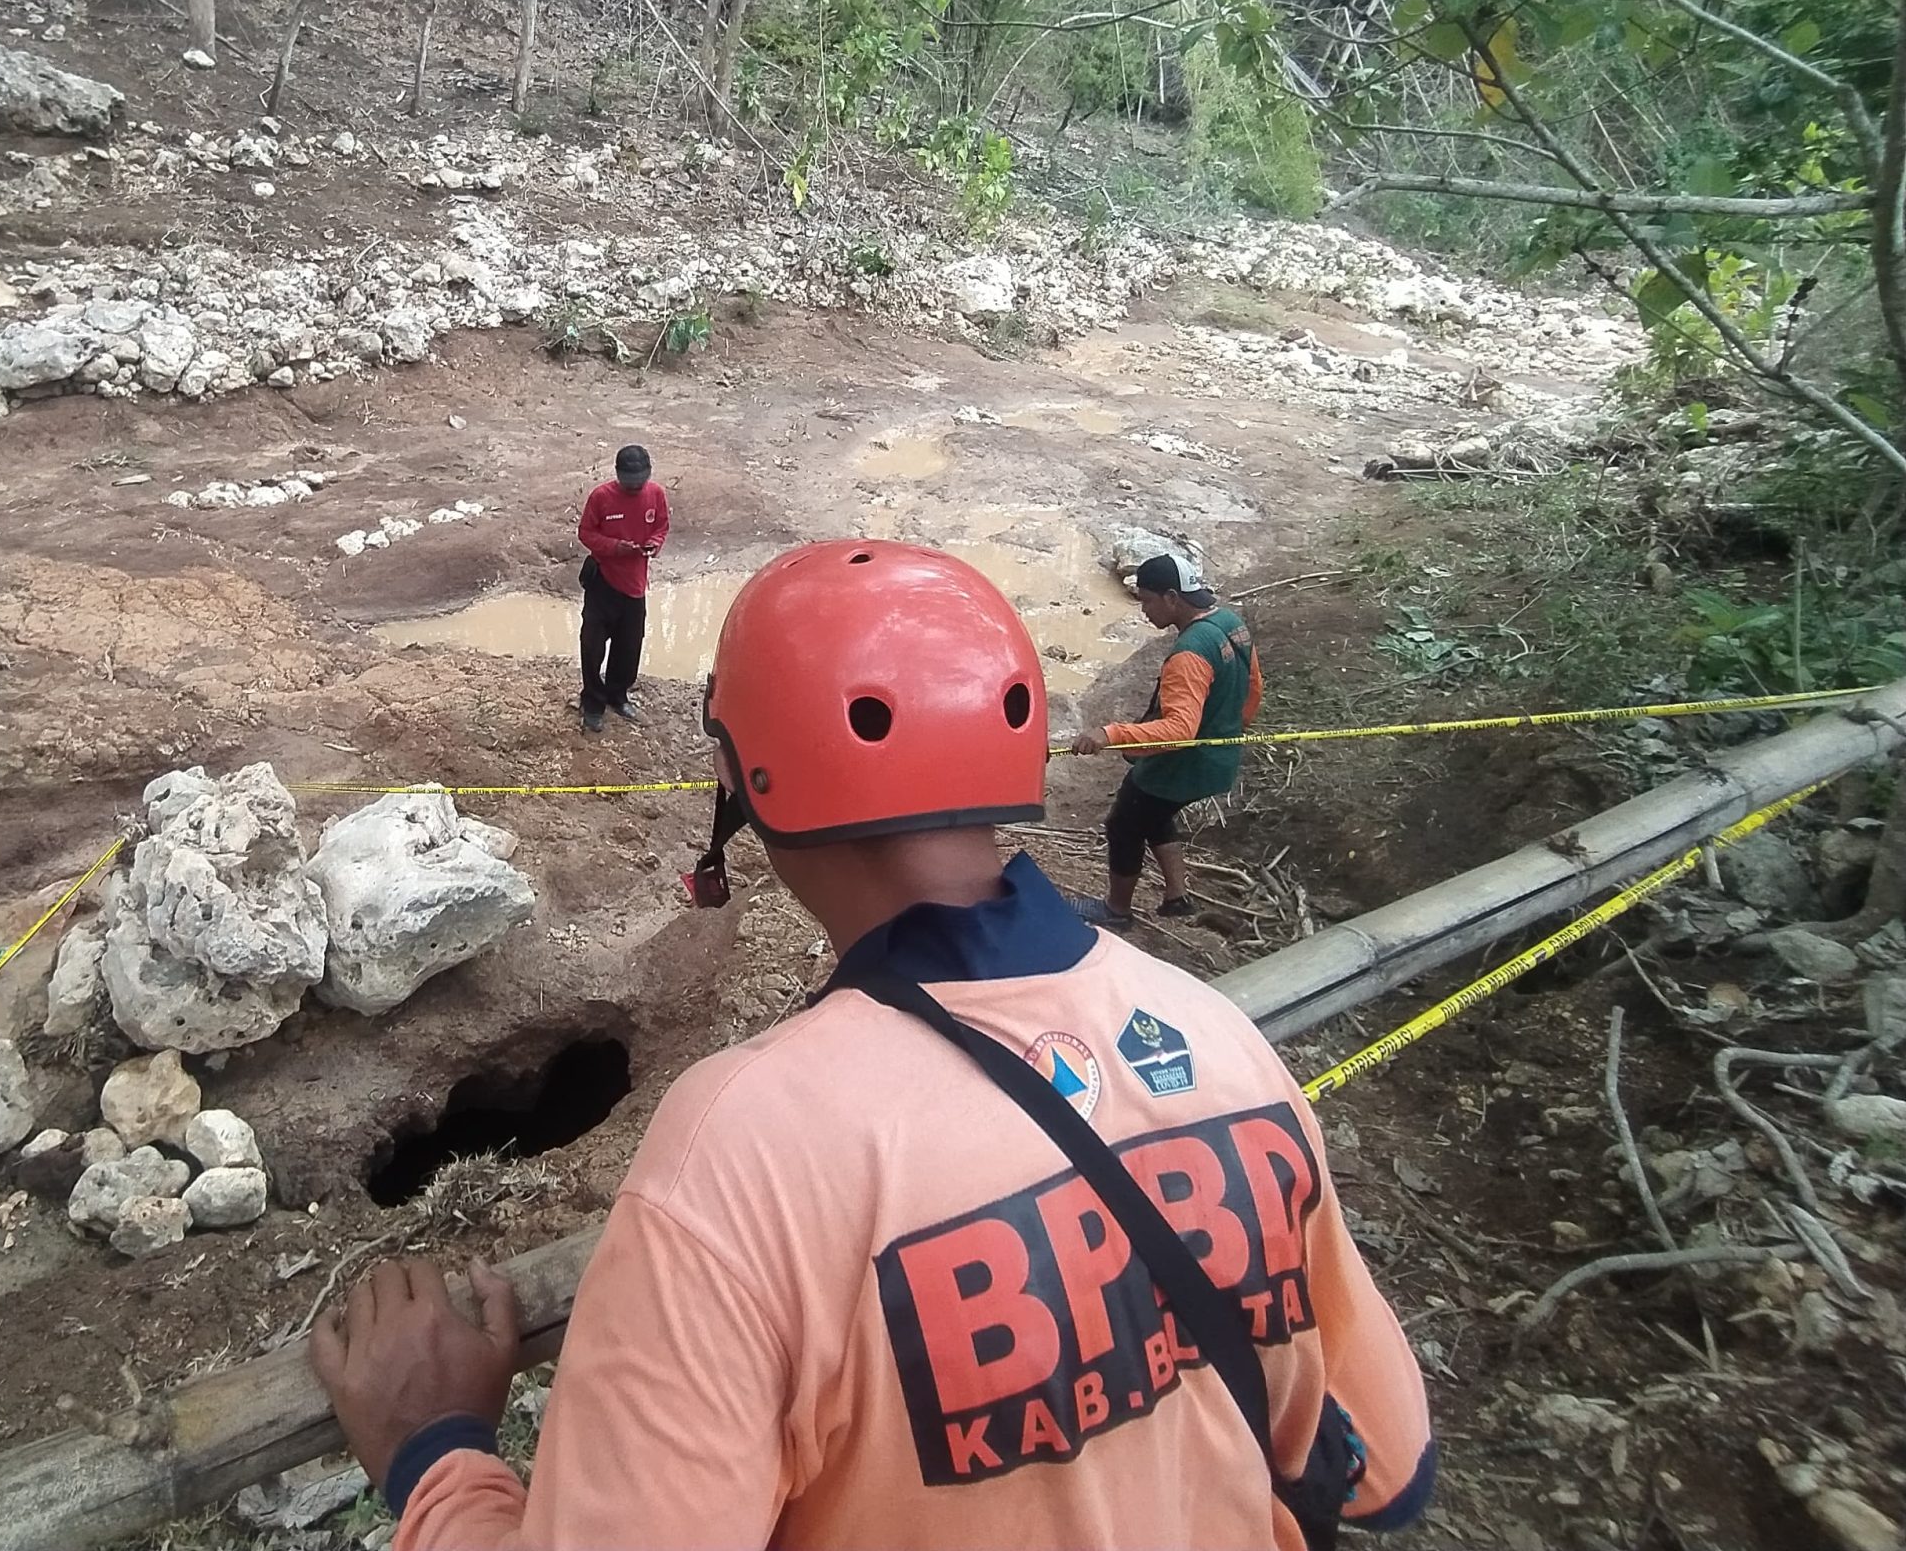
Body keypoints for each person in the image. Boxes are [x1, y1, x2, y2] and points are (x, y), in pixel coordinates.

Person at [311, 540, 1431, 1549]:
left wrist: (436, 1458)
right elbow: (1379, 1469)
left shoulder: (741, 1155)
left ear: (741, 775)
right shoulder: (1215, 1035)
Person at [1071, 550, 1261, 927]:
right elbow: (1255, 687)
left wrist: (1111, 734)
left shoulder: (1189, 655)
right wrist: (1226, 729)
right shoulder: (1230, 622)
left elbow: (1178, 731)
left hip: (1185, 762)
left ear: (1172, 597)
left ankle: (1116, 911)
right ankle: (1176, 897)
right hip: (1218, 757)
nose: (1144, 611)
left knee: (1125, 822)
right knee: (1154, 813)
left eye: (1147, 601)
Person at [575, 444, 668, 734]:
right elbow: (586, 533)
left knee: (629, 647)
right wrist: (615, 547)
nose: (636, 486)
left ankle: (618, 695)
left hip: (635, 585)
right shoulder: (601, 497)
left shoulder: (656, 494)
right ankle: (592, 702)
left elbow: (662, 526)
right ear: (618, 475)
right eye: (630, 482)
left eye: (640, 480)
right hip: (602, 581)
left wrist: (654, 544)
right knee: (592, 645)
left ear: (648, 473)